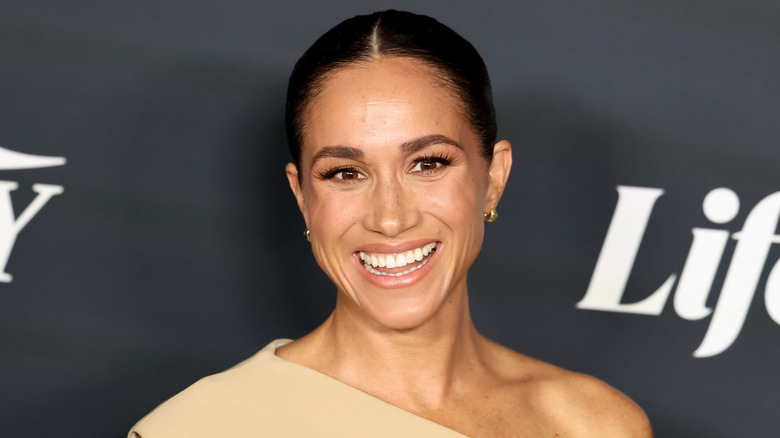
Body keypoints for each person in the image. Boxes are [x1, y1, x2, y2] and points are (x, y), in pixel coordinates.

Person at [128, 10, 652, 437]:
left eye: (428, 163)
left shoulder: (593, 424)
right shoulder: (198, 429)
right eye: (345, 173)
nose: (390, 217)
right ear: (302, 196)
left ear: (493, 177)